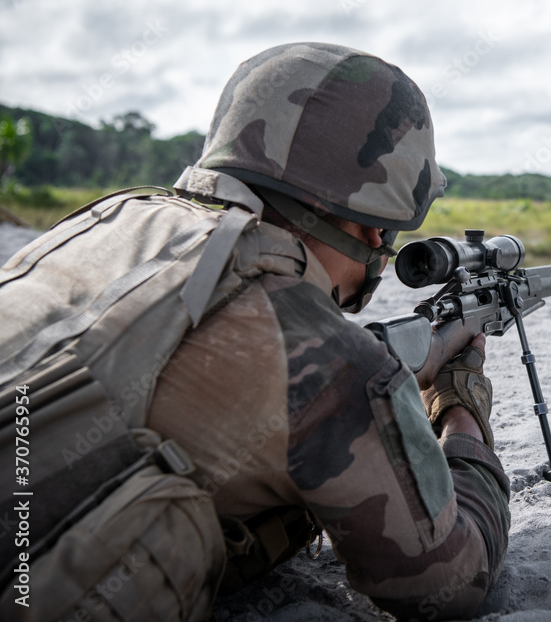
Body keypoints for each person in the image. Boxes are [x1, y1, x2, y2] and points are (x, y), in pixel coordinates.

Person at [0, 43, 509, 620]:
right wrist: (461, 407)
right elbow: (451, 582)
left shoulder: (112, 215)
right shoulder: (331, 361)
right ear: (372, 232)